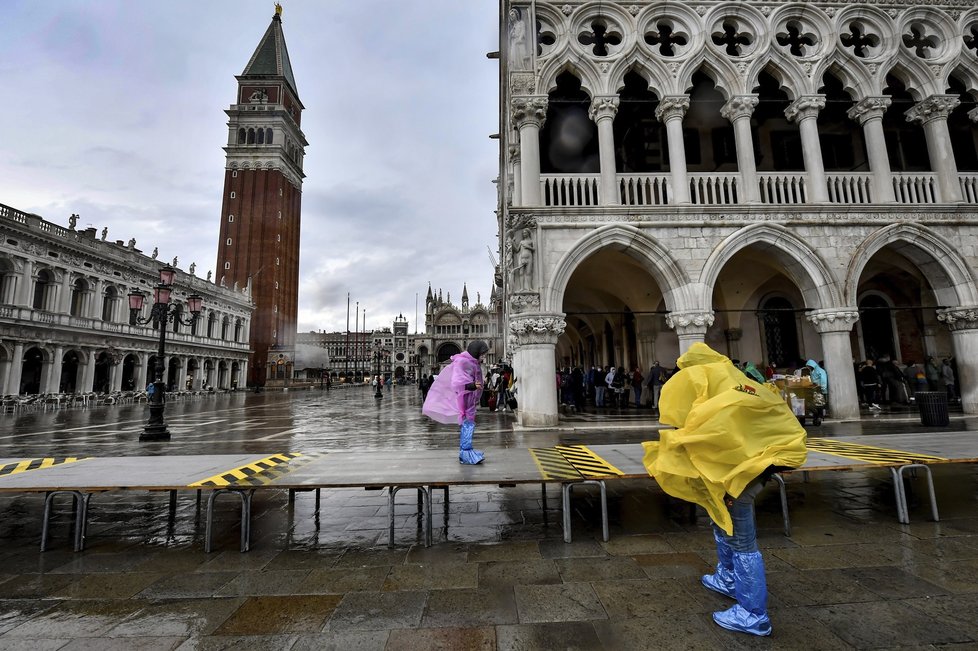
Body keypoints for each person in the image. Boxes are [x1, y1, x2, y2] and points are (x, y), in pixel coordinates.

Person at [642, 343, 807, 636]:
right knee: (720, 516)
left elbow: (678, 412)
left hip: (740, 469)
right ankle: (728, 578)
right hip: (761, 458)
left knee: (741, 535)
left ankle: (753, 613)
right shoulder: (737, 377)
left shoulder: (698, 376)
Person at [422, 340, 489, 464]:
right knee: (468, 424)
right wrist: (471, 386)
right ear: (476, 352)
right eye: (482, 353)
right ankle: (465, 453)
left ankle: (466, 452)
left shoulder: (473, 362)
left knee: (469, 424)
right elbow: (457, 382)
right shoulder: (463, 362)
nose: (484, 356)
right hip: (465, 399)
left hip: (471, 399)